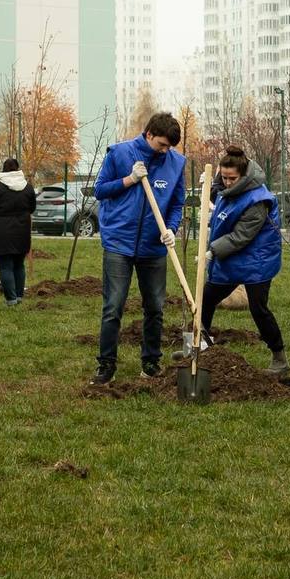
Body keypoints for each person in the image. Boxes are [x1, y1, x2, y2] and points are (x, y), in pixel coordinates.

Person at [89, 112, 186, 385]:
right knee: (113, 307)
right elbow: (100, 190)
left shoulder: (176, 163)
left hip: (153, 247)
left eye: (170, 147)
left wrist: (171, 229)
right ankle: (106, 364)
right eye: (162, 145)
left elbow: (177, 203)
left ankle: (151, 362)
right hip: (119, 243)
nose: (166, 150)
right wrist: (129, 179)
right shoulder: (119, 154)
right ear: (149, 135)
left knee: (155, 307)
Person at [197, 146, 288, 375]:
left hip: (257, 259)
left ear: (244, 175)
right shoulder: (227, 188)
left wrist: (213, 251)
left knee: (258, 308)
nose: (227, 182)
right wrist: (208, 191)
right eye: (224, 177)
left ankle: (279, 359)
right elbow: (220, 200)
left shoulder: (258, 200)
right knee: (206, 298)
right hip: (233, 256)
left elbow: (241, 236)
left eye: (232, 178)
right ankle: (199, 348)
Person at [0, 157, 36, 307]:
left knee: (5, 266)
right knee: (19, 264)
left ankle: (11, 299)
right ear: (18, 169)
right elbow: (32, 208)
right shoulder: (27, 187)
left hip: (1, 232)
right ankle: (19, 296)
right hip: (22, 230)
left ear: (3, 169)